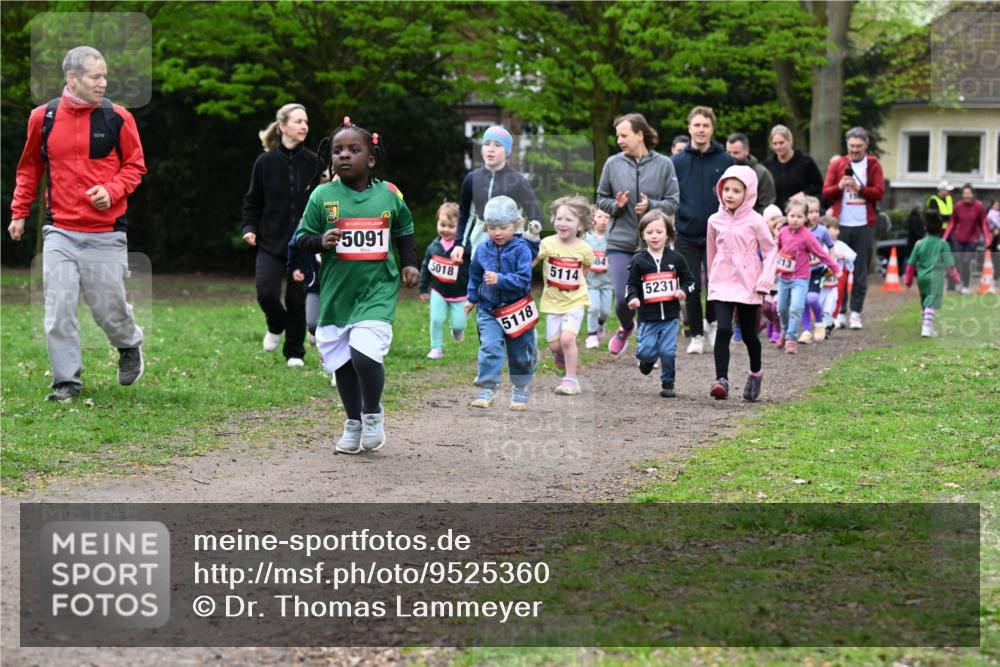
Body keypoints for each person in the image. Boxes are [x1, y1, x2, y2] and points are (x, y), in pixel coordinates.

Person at [8, 46, 146, 403]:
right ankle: (66, 382)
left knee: (109, 309)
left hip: (106, 233)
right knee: (58, 307)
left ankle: (129, 343)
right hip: (60, 231)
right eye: (95, 76)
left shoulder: (118, 118)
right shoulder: (44, 117)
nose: (104, 82)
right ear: (73, 78)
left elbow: (135, 166)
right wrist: (19, 211)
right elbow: (29, 168)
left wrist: (112, 190)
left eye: (105, 76)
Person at [294, 118, 419, 454]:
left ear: (371, 159)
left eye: (353, 149)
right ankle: (353, 421)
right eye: (338, 151)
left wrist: (409, 262)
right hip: (337, 294)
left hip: (378, 290)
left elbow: (405, 228)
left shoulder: (389, 194)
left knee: (365, 355)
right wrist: (321, 240)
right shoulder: (323, 196)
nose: (344, 155)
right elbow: (301, 239)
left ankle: (372, 412)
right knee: (343, 364)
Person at [596, 113, 680, 357]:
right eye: (617, 136)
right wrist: (617, 205)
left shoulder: (665, 164)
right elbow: (601, 198)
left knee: (649, 300)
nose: (619, 140)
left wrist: (652, 205)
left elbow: (673, 202)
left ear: (639, 135)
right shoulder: (612, 163)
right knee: (623, 300)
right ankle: (626, 327)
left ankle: (648, 348)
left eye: (624, 135)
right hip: (619, 241)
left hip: (652, 244)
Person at [243, 103, 318, 366]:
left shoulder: (313, 162)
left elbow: (323, 203)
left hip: (303, 246)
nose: (304, 126)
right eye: (298, 121)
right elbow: (252, 202)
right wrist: (249, 229)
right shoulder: (264, 163)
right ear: (282, 126)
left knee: (297, 300)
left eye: (306, 122)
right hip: (270, 244)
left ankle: (295, 352)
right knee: (266, 294)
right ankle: (276, 325)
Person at [705, 165, 778, 401]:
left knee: (749, 334)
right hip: (721, 283)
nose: (730, 194)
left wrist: (765, 281)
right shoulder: (714, 220)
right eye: (726, 189)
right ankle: (721, 380)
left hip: (749, 284)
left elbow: (770, 250)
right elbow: (711, 252)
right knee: (724, 329)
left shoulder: (756, 221)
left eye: (737, 190)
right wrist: (711, 280)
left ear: (748, 193)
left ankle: (755, 372)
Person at [671, 106, 735, 355]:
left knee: (716, 284)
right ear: (689, 128)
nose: (700, 130)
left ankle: (713, 322)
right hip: (686, 232)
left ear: (712, 128)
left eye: (705, 125)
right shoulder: (677, 162)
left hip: (718, 233)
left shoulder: (725, 160)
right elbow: (671, 195)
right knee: (692, 286)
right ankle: (696, 333)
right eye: (696, 125)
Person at [465, 196, 537, 411]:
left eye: (503, 227)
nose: (497, 232)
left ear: (515, 224)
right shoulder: (482, 249)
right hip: (489, 309)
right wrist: (471, 298)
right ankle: (488, 388)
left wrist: (501, 279)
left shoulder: (521, 249)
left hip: (516, 310)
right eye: (492, 227)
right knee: (489, 347)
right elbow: (475, 275)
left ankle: (520, 388)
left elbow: (524, 280)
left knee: (519, 354)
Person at [626, 210, 695, 398]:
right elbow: (631, 285)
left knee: (667, 352)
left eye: (659, 231)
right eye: (649, 232)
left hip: (671, 316)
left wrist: (684, 291)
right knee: (646, 352)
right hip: (648, 317)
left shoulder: (676, 259)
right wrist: (632, 298)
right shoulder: (639, 260)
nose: (654, 236)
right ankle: (646, 361)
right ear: (642, 235)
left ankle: (668, 381)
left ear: (668, 234)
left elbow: (690, 281)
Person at [821, 126, 885, 329]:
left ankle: (855, 313)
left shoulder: (873, 165)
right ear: (846, 145)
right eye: (851, 146)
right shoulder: (838, 164)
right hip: (841, 226)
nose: (855, 150)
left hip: (864, 225)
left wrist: (861, 189)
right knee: (839, 270)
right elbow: (826, 191)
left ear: (866, 145)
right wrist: (839, 187)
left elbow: (879, 192)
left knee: (860, 272)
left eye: (858, 146)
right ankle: (839, 311)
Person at [451, 126, 542, 262]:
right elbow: (465, 213)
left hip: (512, 249)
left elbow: (536, 216)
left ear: (507, 151)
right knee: (480, 282)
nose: (491, 149)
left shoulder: (518, 181)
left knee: (507, 282)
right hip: (480, 246)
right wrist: (459, 244)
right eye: (486, 144)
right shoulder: (471, 179)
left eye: (497, 145)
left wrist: (528, 238)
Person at [533, 196, 594, 395]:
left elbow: (586, 266)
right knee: (555, 345)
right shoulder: (547, 243)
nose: (563, 223)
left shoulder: (584, 248)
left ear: (581, 224)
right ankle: (560, 356)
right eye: (559, 218)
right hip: (552, 302)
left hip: (575, 300)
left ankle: (571, 380)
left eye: (569, 219)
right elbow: (532, 262)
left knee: (567, 339)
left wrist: (577, 283)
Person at [774, 198, 840, 354]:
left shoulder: (807, 236)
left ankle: (791, 338)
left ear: (805, 218)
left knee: (796, 307)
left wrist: (835, 268)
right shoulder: (783, 232)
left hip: (801, 279)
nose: (795, 220)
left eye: (799, 217)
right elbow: (777, 251)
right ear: (787, 215)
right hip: (784, 278)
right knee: (782, 308)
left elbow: (821, 253)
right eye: (792, 216)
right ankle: (785, 330)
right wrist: (772, 269)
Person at [418, 202, 469, 360]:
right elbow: (426, 267)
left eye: (451, 226)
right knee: (436, 320)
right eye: (442, 224)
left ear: (460, 228)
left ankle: (457, 329)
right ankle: (436, 348)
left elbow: (475, 262)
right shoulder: (433, 247)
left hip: (460, 293)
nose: (445, 229)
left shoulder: (465, 247)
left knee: (459, 323)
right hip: (438, 291)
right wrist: (423, 289)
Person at [905, 211, 961, 337]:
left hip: (922, 277)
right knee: (932, 302)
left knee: (925, 301)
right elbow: (949, 264)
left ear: (925, 228)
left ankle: (928, 327)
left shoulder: (919, 244)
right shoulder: (943, 244)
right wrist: (956, 277)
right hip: (936, 278)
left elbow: (911, 264)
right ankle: (926, 327)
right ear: (941, 229)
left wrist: (908, 280)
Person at [763, 125, 824, 212]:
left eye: (781, 143)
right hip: (776, 216)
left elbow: (819, 186)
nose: (778, 147)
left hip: (800, 214)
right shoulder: (768, 164)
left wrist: (804, 194)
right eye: (775, 144)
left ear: (790, 141)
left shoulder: (805, 161)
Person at [799, 196, 835, 344]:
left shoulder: (822, 231)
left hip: (817, 270)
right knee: (804, 301)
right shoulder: (799, 230)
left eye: (816, 211)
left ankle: (819, 323)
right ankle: (807, 330)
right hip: (801, 272)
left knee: (812, 298)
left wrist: (830, 264)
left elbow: (831, 246)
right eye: (810, 211)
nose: (814, 215)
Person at [942, 184, 989, 294]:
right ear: (962, 195)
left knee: (966, 261)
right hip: (958, 238)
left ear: (973, 194)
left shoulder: (979, 206)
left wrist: (987, 239)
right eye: (965, 194)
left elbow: (984, 224)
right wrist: (944, 238)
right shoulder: (958, 206)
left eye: (969, 193)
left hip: (972, 238)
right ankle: (959, 283)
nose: (967, 196)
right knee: (957, 261)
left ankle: (966, 285)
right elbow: (952, 223)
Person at [818, 216, 857, 338]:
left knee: (833, 302)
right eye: (834, 228)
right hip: (820, 282)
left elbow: (852, 255)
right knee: (819, 303)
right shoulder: (818, 244)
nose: (838, 231)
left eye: (838, 228)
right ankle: (820, 325)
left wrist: (843, 256)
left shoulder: (840, 245)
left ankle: (827, 326)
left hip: (835, 281)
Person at [584, 206, 614, 349]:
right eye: (600, 217)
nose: (603, 220)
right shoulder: (587, 238)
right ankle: (591, 335)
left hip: (608, 281)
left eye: (606, 217)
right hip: (591, 281)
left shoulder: (612, 237)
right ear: (593, 219)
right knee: (593, 308)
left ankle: (600, 324)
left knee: (605, 311)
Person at [725, 132, 776, 214]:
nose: (731, 156)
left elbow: (766, 205)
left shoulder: (761, 173)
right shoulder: (722, 170)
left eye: (736, 153)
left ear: (746, 151)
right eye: (728, 152)